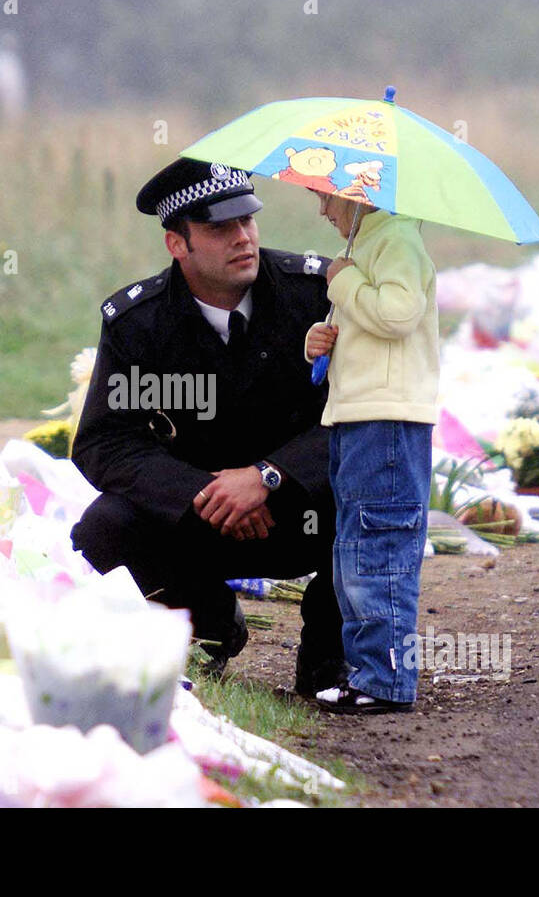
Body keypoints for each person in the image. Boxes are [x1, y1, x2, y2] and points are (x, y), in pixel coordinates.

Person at [70, 157, 346, 692]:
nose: (243, 238)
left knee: (383, 492)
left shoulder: (316, 296)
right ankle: (208, 628)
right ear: (178, 244)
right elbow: (106, 441)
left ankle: (331, 653)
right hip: (204, 522)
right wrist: (204, 492)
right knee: (104, 528)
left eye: (247, 220)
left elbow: (358, 418)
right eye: (220, 228)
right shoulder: (141, 324)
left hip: (301, 511)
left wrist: (268, 477)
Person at [304, 189, 439, 715]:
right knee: (355, 547)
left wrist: (343, 279)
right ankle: (369, 671)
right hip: (356, 416)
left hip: (386, 421)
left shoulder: (398, 240)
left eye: (326, 199)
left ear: (356, 196)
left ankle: (385, 679)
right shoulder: (369, 246)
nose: (322, 211)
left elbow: (399, 314)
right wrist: (318, 339)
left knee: (378, 546)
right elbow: (368, 326)